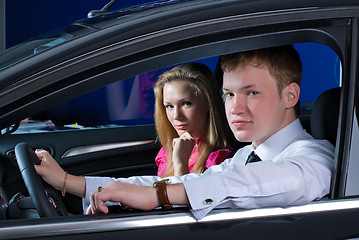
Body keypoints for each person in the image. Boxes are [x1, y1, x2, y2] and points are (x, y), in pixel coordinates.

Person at [35, 45, 334, 221]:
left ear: (290, 96)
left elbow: (270, 180)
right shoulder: (246, 156)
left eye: (252, 92)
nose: (235, 108)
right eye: (229, 94)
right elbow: (187, 182)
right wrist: (68, 182)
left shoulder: (315, 158)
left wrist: (157, 195)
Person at [153, 63, 235, 177]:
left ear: (208, 103)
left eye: (186, 104)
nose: (176, 115)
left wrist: (181, 165)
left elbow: (182, 195)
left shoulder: (218, 161)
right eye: (169, 106)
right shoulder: (169, 151)